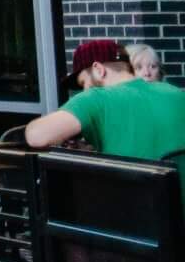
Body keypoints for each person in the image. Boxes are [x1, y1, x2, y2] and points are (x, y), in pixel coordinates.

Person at [28, 41, 185, 204]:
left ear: (98, 70)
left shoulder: (96, 98)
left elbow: (36, 136)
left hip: (138, 218)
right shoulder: (173, 92)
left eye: (83, 83)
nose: (84, 90)